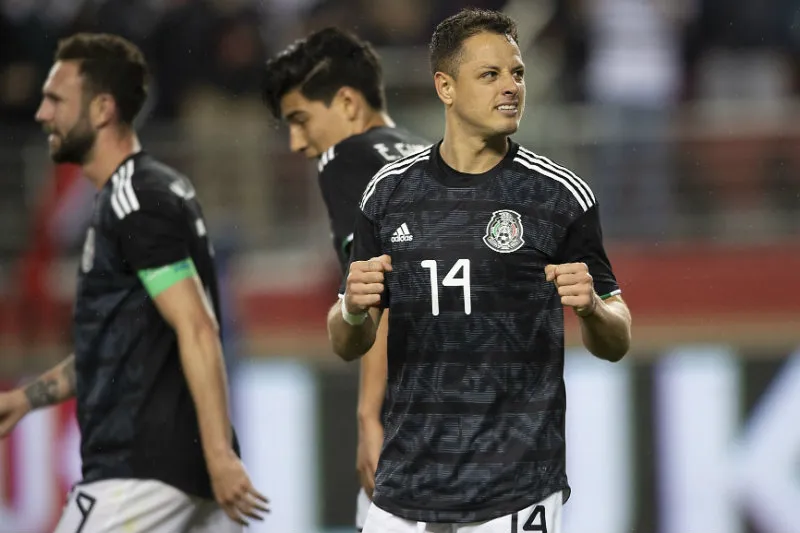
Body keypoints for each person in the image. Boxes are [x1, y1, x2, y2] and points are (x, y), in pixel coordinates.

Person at [327, 8, 632, 533]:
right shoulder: (388, 194)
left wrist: (594, 308)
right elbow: (347, 342)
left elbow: (617, 340)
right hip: (405, 488)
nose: (511, 87)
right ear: (445, 87)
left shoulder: (559, 197)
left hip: (514, 491)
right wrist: (351, 309)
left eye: (517, 73)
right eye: (490, 75)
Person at [0, 33, 268, 532]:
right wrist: (27, 399)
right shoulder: (146, 193)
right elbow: (124, 347)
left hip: (139, 476)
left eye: (55, 99)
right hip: (174, 477)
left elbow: (197, 326)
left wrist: (219, 456)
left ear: (102, 109)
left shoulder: (136, 199)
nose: (41, 114)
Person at [261, 27, 428, 531]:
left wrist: (368, 418)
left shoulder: (347, 159)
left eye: (301, 120)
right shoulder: (429, 157)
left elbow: (379, 289)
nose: (296, 142)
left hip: (411, 428)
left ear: (349, 103)